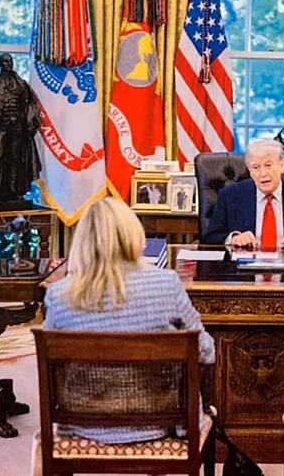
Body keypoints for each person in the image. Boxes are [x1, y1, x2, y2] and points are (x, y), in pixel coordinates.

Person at [34, 197, 214, 468]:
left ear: (82, 241)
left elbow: (52, 371)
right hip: (160, 425)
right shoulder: (165, 285)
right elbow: (206, 352)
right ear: (134, 234)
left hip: (84, 427)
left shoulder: (59, 295)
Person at [202, 140, 284, 249]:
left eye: (268, 165)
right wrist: (233, 238)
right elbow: (211, 237)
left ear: (281, 166)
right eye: (256, 168)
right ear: (250, 171)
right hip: (244, 271)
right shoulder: (230, 196)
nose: (263, 173)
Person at [0, 52, 42, 203]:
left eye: (10, 61)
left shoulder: (21, 83)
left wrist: (29, 120)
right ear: (0, 64)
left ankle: (14, 191)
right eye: (6, 62)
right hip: (0, 126)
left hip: (18, 127)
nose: (9, 64)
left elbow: (33, 103)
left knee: (16, 159)